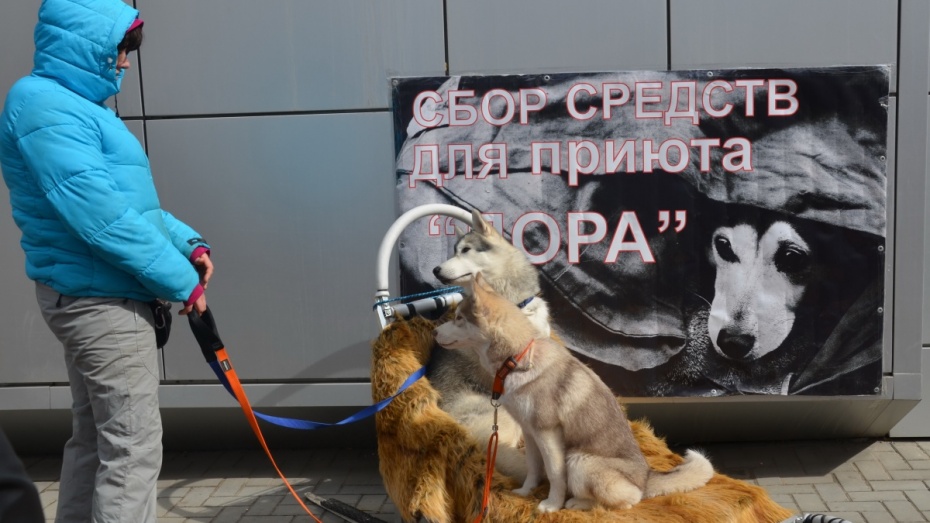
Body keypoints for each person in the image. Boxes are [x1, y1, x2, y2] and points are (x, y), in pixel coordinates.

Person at [0, 1, 213, 521]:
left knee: (97, 440)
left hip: (95, 293)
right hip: (101, 301)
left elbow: (128, 206)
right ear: (84, 45)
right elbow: (100, 216)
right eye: (119, 48)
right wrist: (181, 281)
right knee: (132, 449)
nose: (125, 62)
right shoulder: (45, 106)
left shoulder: (68, 106)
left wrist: (188, 244)